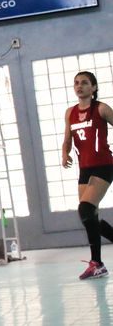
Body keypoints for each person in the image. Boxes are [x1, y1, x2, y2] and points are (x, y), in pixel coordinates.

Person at [61, 71, 113, 280]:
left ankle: (97, 263)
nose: (79, 86)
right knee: (88, 216)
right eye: (76, 83)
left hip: (104, 166)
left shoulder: (101, 109)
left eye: (84, 83)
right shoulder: (70, 112)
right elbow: (67, 138)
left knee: (85, 208)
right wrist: (64, 153)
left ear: (93, 87)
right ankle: (97, 264)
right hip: (85, 168)